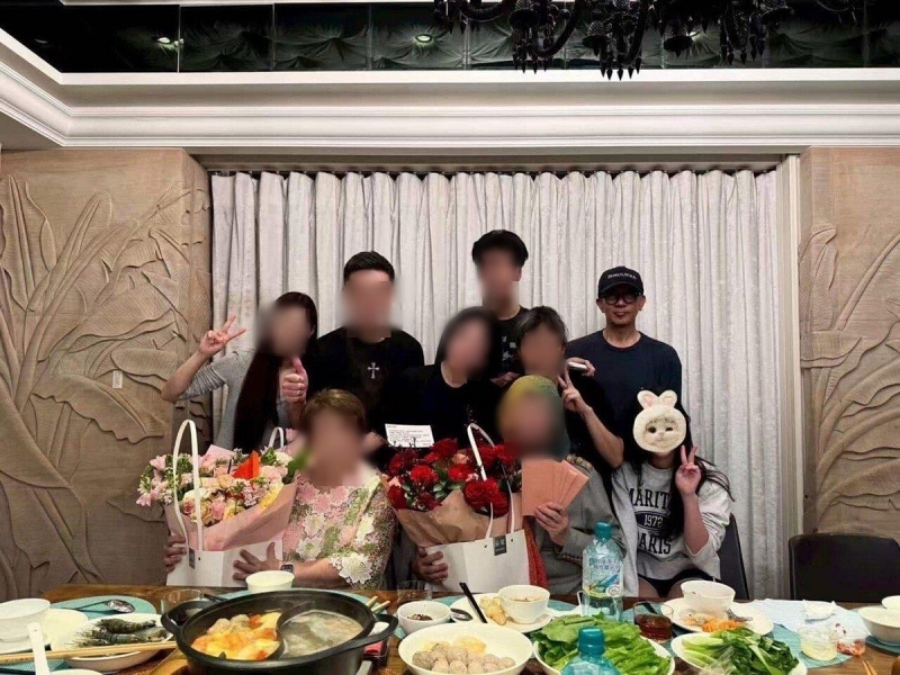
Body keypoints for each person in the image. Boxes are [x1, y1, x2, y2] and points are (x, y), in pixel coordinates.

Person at [167, 390, 396, 590]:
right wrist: (192, 546)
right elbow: (231, 525)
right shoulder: (283, 476)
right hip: (271, 594)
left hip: (346, 606)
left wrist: (283, 569)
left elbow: (363, 562)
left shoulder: (375, 488)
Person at [497, 376, 634, 595]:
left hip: (566, 597)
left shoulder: (582, 477)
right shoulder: (491, 474)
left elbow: (615, 551)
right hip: (504, 593)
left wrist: (565, 536)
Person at [300, 252, 424, 466]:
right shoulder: (323, 350)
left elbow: (414, 417)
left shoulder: (409, 349)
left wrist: (379, 438)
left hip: (395, 466)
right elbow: (313, 419)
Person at [161, 292, 317, 450]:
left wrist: (297, 403)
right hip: (227, 464)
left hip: (278, 465)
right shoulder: (242, 362)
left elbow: (309, 440)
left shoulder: (319, 370)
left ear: (310, 330)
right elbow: (170, 393)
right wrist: (202, 354)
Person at [612, 396, 732, 599]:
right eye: (651, 428)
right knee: (643, 612)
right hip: (641, 571)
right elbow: (625, 537)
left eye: (668, 427)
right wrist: (627, 593)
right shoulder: (625, 474)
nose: (661, 435)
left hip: (692, 570)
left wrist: (688, 495)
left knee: (683, 612)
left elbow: (702, 555)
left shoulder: (709, 480)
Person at [567, 266, 682, 430]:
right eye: (612, 296)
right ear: (600, 304)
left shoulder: (664, 357)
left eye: (629, 296)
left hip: (646, 445)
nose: (620, 303)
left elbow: (673, 420)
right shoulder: (575, 353)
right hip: (585, 446)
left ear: (641, 302)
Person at [515, 307, 622, 474]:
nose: (539, 354)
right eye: (531, 345)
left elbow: (615, 458)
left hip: (587, 484)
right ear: (519, 352)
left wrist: (585, 412)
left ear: (562, 348)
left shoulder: (586, 389)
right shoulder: (510, 395)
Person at [391, 307, 500, 443]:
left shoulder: (491, 398)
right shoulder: (410, 381)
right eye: (463, 336)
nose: (467, 348)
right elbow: (393, 436)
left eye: (478, 343)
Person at [471, 230, 529, 387]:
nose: (496, 274)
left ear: (518, 273)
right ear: (480, 273)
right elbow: (445, 384)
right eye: (488, 265)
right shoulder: (462, 328)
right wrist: (490, 386)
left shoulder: (534, 324)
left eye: (503, 265)